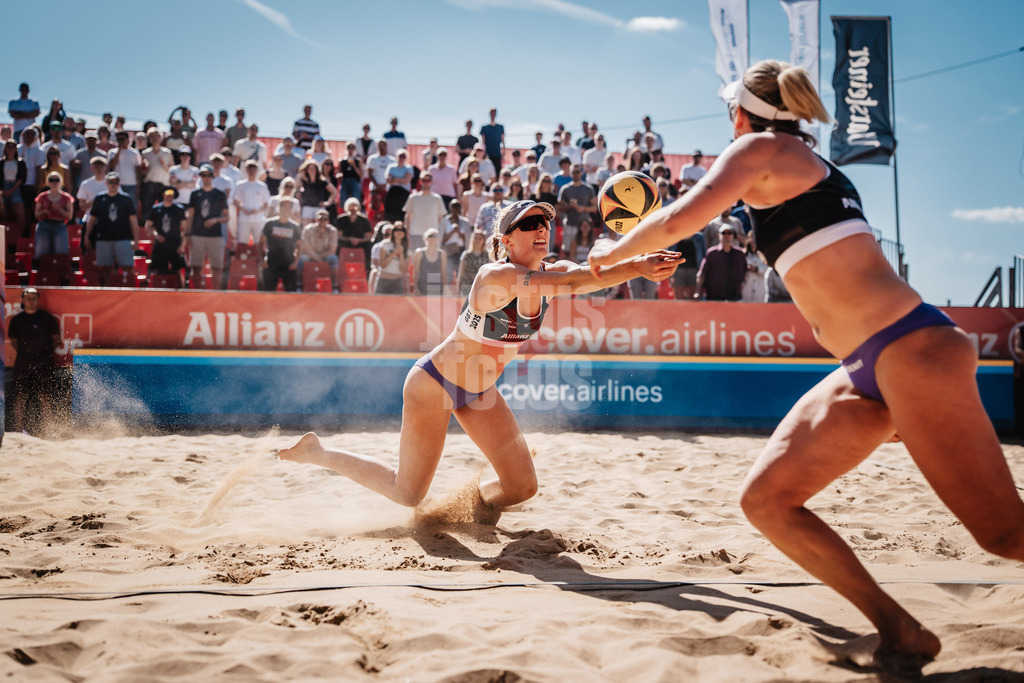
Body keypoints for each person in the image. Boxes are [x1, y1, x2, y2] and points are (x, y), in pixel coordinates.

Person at [587, 58, 1024, 665]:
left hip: (911, 347)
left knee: (1006, 537)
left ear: (743, 112)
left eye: (727, 112)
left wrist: (605, 257)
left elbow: (677, 219)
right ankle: (900, 630)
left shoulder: (760, 148)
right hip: (869, 366)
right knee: (768, 501)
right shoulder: (794, 161)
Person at [279, 200, 680, 518]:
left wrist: (640, 259)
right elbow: (572, 281)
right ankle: (318, 453)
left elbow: (585, 272)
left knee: (522, 487)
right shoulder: (494, 277)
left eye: (544, 222)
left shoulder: (549, 273)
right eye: (528, 224)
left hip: (477, 391)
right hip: (433, 385)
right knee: (407, 494)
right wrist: (638, 267)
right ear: (507, 240)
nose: (541, 228)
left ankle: (463, 509)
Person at [8, 288, 60, 434]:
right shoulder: (17, 320)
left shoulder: (47, 318)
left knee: (45, 397)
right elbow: (13, 341)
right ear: (22, 301)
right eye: (28, 298)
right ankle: (19, 430)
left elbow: (56, 339)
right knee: (21, 397)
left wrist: (43, 353)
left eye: (33, 298)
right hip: (23, 361)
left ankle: (48, 430)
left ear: (37, 300)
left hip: (44, 361)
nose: (31, 301)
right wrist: (27, 353)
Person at [83, 172, 140, 286]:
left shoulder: (126, 199)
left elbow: (133, 221)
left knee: (127, 266)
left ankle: (131, 291)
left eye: (116, 182)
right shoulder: (99, 198)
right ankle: (110, 290)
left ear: (119, 184)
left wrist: (136, 239)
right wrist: (86, 236)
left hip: (123, 238)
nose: (113, 185)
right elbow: (92, 219)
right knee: (107, 268)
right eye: (111, 182)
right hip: (103, 238)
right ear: (106, 183)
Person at [185, 164, 229, 289]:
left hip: (215, 235)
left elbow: (227, 217)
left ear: (212, 177)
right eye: (203, 175)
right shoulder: (195, 194)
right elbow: (190, 216)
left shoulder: (219, 194)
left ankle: (216, 293)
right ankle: (196, 293)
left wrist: (215, 220)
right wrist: (187, 234)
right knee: (196, 267)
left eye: (209, 175)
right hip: (197, 233)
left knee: (217, 267)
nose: (206, 178)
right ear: (200, 177)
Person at [259, 196, 302, 291]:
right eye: (283, 206)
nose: (285, 209)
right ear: (279, 207)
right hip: (271, 263)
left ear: (291, 209)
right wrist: (262, 260)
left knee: (291, 294)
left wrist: (295, 262)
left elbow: (300, 247)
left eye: (288, 207)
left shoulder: (295, 226)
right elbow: (260, 243)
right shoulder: (270, 224)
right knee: (268, 293)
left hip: (288, 264)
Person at [145, 188, 188, 286]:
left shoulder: (179, 209)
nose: (169, 196)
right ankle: (156, 291)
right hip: (160, 246)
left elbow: (185, 229)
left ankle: (181, 292)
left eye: (171, 193)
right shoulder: (155, 209)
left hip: (175, 245)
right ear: (163, 194)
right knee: (157, 271)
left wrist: (182, 246)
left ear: (174, 195)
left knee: (178, 271)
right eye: (167, 193)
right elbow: (148, 226)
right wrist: (156, 235)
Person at [695, 223, 745, 301]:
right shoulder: (711, 253)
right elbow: (702, 274)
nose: (726, 235)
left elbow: (745, 273)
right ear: (719, 235)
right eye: (724, 233)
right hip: (714, 296)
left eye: (729, 233)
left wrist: (742, 288)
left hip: (734, 297)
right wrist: (697, 292)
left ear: (733, 235)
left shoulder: (740, 253)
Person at [33, 172, 73, 260]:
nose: (54, 182)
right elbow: (36, 214)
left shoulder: (66, 198)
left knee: (61, 252)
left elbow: (69, 216)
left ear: (61, 182)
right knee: (41, 251)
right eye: (51, 180)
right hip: (44, 225)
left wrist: (59, 209)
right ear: (48, 182)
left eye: (57, 180)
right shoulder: (42, 196)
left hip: (60, 225)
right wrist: (44, 212)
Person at [402, 171, 445, 250]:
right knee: (416, 260)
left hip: (432, 236)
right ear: (420, 182)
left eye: (428, 180)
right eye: (424, 180)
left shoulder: (437, 198)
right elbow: (407, 216)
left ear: (431, 182)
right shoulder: (413, 197)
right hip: (415, 234)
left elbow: (441, 218)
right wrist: (407, 233)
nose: (426, 183)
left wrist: (439, 233)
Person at [232, 160, 271, 246]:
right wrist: (243, 209)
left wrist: (257, 210)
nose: (251, 172)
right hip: (244, 219)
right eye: (249, 169)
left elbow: (266, 203)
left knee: (259, 243)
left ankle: (258, 259)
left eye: (253, 169)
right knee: (242, 243)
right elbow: (235, 201)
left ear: (256, 170)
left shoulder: (262, 186)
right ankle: (243, 259)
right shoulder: (240, 185)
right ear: (246, 170)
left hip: (258, 219)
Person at [298, 208, 339, 289]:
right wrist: (317, 257)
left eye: (325, 219)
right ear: (316, 219)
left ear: (328, 220)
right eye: (320, 219)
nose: (322, 221)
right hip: (311, 255)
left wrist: (320, 257)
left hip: (325, 256)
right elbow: (305, 248)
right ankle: (299, 284)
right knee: (302, 259)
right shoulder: (307, 230)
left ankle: (335, 285)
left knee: (333, 258)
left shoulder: (333, 231)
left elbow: (332, 249)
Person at [336, 197, 373, 270]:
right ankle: (338, 269)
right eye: (350, 207)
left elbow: (368, 237)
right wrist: (349, 239)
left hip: (360, 243)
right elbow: (339, 236)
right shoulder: (341, 219)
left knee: (369, 245)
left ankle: (367, 269)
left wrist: (358, 240)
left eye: (355, 207)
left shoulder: (364, 220)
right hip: (345, 242)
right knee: (338, 244)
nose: (353, 210)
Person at [1, 140, 27, 236]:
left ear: (16, 149)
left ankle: (23, 236)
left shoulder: (20, 163)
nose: (10, 149)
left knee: (21, 216)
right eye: (8, 147)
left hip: (15, 188)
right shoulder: (1, 163)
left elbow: (21, 179)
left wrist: (11, 190)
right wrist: (2, 191)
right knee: (2, 214)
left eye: (13, 147)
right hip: (2, 188)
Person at [411, 228, 448, 296]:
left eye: (435, 236)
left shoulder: (442, 254)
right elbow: (416, 271)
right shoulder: (419, 252)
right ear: (425, 238)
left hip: (436, 287)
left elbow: (443, 272)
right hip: (422, 286)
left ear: (438, 239)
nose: (432, 238)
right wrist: (415, 287)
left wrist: (445, 289)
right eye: (430, 236)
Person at [374, 222, 408, 295]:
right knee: (379, 304)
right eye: (397, 229)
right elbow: (382, 265)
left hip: (397, 281)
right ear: (393, 231)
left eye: (402, 230)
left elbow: (403, 270)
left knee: (397, 306)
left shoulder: (407, 249)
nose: (399, 231)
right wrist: (393, 253)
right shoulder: (385, 244)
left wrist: (401, 254)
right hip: (383, 280)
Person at [456, 229, 488, 296]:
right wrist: (458, 290)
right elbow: (460, 274)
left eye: (480, 238)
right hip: (467, 287)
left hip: (481, 288)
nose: (477, 240)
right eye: (475, 238)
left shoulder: (487, 256)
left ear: (484, 240)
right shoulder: (466, 255)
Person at [480, 108, 505, 174]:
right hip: (487, 155)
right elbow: (483, 142)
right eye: (491, 113)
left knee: (497, 172)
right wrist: (484, 154)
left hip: (497, 154)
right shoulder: (484, 128)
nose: (493, 115)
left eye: (494, 113)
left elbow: (503, 141)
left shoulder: (500, 127)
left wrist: (503, 153)